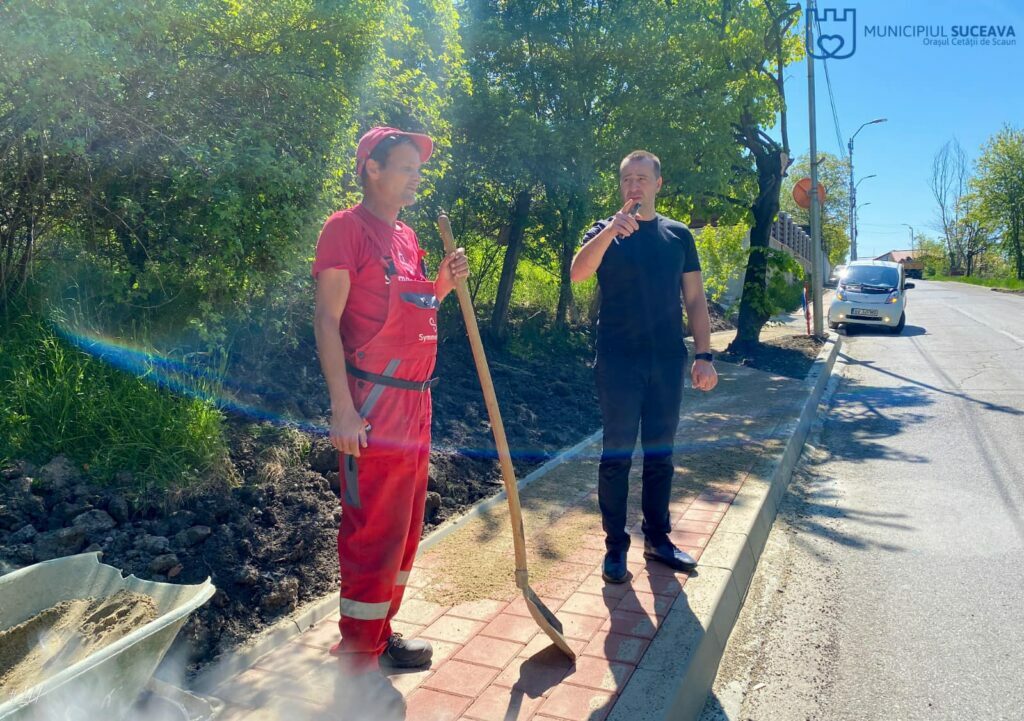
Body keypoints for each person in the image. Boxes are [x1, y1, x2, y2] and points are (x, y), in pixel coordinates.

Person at [312, 127, 469, 687]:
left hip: (416, 402)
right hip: (373, 404)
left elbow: (415, 310)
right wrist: (341, 409)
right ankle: (356, 658)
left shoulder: (406, 237)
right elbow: (327, 319)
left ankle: (379, 634)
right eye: (405, 167)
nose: (415, 178)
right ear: (372, 169)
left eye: (417, 169)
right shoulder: (344, 229)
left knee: (403, 531)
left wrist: (441, 284)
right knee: (372, 530)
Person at [570, 150, 718, 584]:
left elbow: (695, 299)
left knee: (661, 454)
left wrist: (704, 355)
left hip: (666, 360)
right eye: (627, 179)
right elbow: (578, 274)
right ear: (620, 186)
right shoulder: (604, 231)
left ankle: (658, 539)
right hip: (618, 361)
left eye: (642, 178)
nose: (634, 186)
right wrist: (610, 231)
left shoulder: (678, 235)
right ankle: (615, 546)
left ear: (658, 183)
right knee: (616, 454)